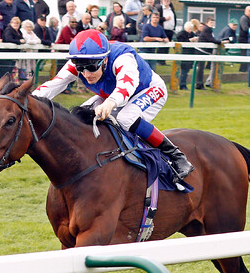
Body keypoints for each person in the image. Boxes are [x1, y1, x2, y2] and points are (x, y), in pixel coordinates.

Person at [32, 29, 194, 179]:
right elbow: (54, 85)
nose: (86, 74)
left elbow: (126, 85)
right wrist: (28, 100)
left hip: (148, 89)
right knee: (80, 116)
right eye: (81, 68)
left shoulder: (123, 58)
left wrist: (111, 103)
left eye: (92, 67)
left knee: (126, 118)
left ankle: (176, 156)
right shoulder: (78, 63)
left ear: (105, 59)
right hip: (113, 94)